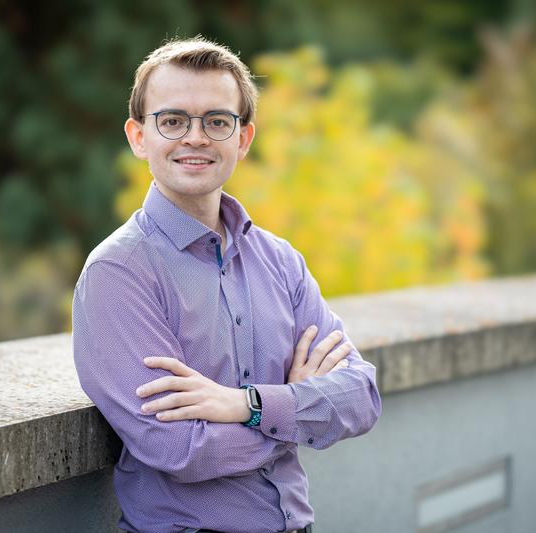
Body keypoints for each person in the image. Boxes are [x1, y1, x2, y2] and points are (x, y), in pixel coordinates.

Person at [72, 36, 381, 533]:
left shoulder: (281, 261)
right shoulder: (117, 273)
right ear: (138, 136)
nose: (195, 137)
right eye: (173, 121)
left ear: (243, 139)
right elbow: (179, 449)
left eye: (217, 121)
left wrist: (248, 404)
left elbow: (361, 395)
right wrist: (292, 409)